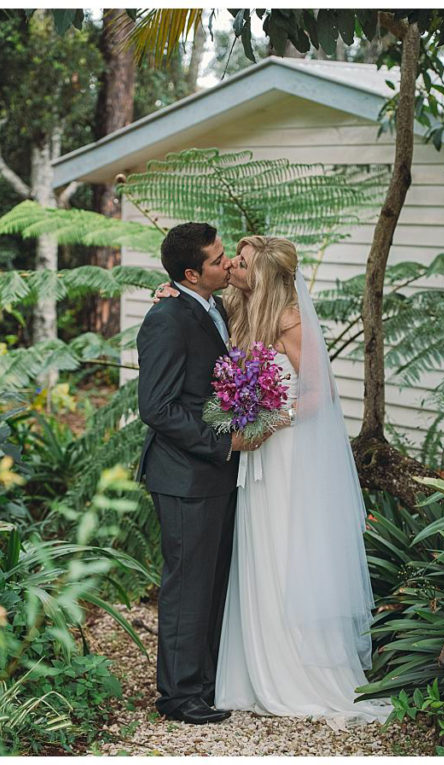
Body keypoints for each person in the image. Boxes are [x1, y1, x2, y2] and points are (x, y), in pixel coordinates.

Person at [156, 236, 389, 726]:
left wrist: (267, 421)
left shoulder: (287, 318)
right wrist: (171, 289)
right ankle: (242, 671)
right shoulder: (233, 311)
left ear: (258, 274)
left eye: (237, 263)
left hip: (282, 455)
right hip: (246, 459)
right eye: (225, 262)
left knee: (287, 552)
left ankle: (296, 671)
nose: (231, 268)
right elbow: (196, 325)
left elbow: (319, 393)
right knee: (254, 555)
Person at [137, 222, 267, 725]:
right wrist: (224, 441)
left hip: (215, 474)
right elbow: (158, 407)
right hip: (184, 475)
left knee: (210, 582)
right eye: (218, 260)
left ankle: (204, 681)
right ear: (192, 273)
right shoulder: (168, 317)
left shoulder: (211, 307)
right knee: (187, 585)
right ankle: (178, 696)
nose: (227, 264)